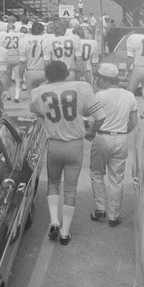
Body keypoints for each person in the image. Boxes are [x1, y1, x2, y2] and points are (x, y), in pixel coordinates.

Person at [30, 60, 105, 246]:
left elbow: (38, 115)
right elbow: (100, 116)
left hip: (54, 144)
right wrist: (91, 131)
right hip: (74, 144)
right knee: (70, 189)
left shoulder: (37, 92)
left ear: (47, 76)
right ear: (66, 73)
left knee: (53, 184)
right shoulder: (81, 87)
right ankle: (65, 233)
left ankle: (54, 221)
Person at [86, 63, 138, 227]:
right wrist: (122, 131)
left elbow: (91, 117)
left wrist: (91, 132)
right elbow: (134, 121)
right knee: (117, 179)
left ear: (106, 80)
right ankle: (114, 216)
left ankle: (100, 208)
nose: (98, 81)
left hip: (102, 136)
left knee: (96, 173)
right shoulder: (130, 95)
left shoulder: (100, 95)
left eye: (99, 78)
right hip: (121, 138)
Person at [125, 27, 144, 120]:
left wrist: (127, 69)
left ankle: (134, 114)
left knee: (130, 92)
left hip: (138, 68)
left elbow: (130, 57)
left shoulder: (133, 38)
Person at [0, 21, 23, 102]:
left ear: (7, 28)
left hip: (7, 57)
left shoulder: (4, 36)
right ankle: (17, 96)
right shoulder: (19, 35)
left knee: (7, 77)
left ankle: (8, 94)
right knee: (17, 77)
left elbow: (1, 48)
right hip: (16, 56)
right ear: (14, 28)